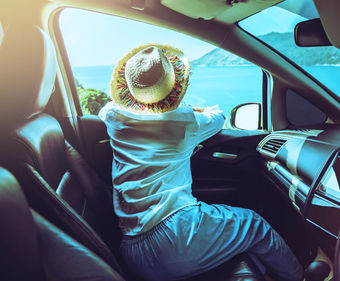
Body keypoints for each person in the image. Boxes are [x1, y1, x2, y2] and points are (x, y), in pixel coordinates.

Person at [98, 43, 303, 281]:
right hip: (175, 237)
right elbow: (218, 117)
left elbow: (107, 108)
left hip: (132, 249)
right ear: (174, 88)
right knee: (254, 224)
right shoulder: (183, 122)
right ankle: (300, 277)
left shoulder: (113, 116)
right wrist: (188, 108)